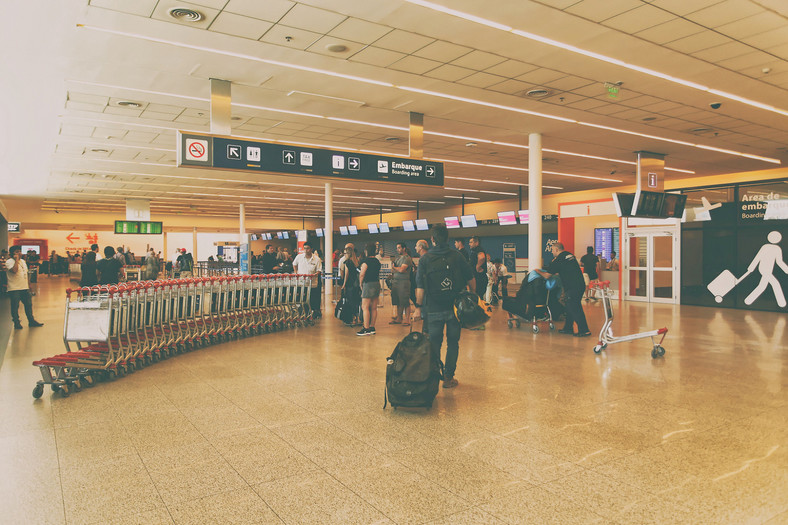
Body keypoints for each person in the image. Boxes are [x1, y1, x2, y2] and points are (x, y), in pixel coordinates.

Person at [412, 224, 475, 388]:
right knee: (453, 343)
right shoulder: (457, 256)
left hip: (433, 309)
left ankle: (433, 378)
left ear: (432, 240)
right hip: (455, 309)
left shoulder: (425, 259)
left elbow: (420, 287)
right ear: (447, 239)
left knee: (434, 344)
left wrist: (418, 307)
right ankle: (448, 378)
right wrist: (472, 297)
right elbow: (471, 278)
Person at [536, 242, 590, 337]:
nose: (552, 252)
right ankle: (568, 328)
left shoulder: (558, 260)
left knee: (574, 307)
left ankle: (584, 330)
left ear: (556, 250)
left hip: (572, 287)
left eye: (552, 250)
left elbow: (547, 275)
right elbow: (566, 269)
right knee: (569, 306)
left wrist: (537, 271)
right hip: (580, 284)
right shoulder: (569, 255)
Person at [5, 246, 44, 330]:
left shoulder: (23, 261)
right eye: (16, 252)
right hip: (14, 289)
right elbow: (14, 271)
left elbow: (25, 274)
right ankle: (16, 322)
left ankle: (31, 321)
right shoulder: (9, 262)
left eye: (19, 251)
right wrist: (16, 260)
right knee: (15, 306)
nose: (19, 253)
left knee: (28, 305)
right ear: (12, 253)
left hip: (24, 288)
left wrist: (29, 285)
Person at [292, 242, 323, 318]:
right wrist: (296, 272)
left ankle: (312, 312)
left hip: (312, 283)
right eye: (305, 248)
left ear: (311, 249)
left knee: (312, 299)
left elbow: (319, 270)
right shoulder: (299, 257)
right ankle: (302, 311)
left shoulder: (317, 259)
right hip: (301, 283)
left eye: (308, 248)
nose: (306, 250)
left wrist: (316, 274)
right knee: (302, 298)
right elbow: (294, 264)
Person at [357, 242, 381, 336]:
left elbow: (362, 274)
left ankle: (366, 328)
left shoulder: (365, 261)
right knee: (374, 307)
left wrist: (360, 284)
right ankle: (372, 327)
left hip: (368, 284)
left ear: (366, 251)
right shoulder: (377, 261)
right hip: (376, 284)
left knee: (365, 307)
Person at [390, 242, 413, 325]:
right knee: (398, 301)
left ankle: (407, 319)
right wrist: (396, 268)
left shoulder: (407, 258)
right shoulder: (398, 259)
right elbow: (393, 270)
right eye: (397, 248)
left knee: (405, 301)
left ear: (404, 248)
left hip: (404, 282)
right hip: (396, 281)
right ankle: (399, 318)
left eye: (399, 248)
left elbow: (402, 269)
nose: (397, 249)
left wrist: (395, 268)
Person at [468, 236, 488, 329]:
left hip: (479, 279)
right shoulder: (475, 250)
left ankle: (480, 324)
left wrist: (478, 266)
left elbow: (482, 257)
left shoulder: (478, 249)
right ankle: (479, 323)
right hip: (477, 278)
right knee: (477, 300)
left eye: (471, 242)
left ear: (476, 243)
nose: (469, 244)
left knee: (477, 300)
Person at [340, 245, 362, 326]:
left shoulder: (347, 262)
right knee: (357, 302)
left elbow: (346, 274)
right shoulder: (357, 262)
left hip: (350, 284)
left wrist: (344, 284)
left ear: (348, 254)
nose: (344, 255)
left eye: (345, 253)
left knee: (350, 301)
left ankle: (352, 319)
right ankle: (358, 318)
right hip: (356, 284)